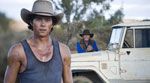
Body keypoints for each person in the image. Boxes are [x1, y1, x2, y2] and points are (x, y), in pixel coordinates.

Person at [4, 0, 73, 83]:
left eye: (47, 20)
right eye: (39, 19)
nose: (43, 24)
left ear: (52, 24)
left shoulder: (64, 51)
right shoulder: (18, 52)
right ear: (31, 22)